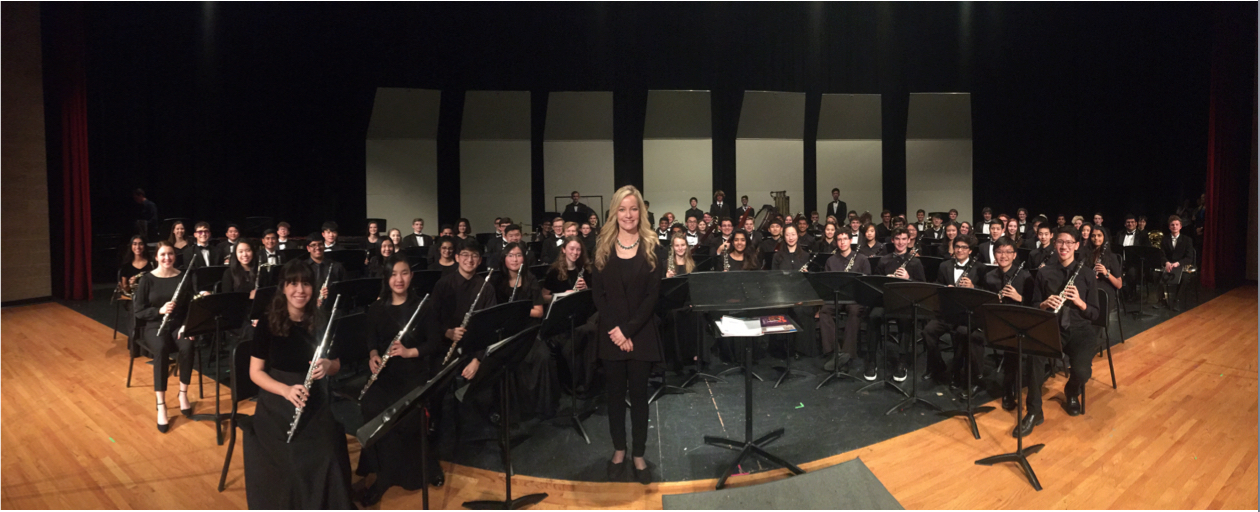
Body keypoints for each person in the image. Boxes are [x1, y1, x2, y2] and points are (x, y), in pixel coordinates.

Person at [243, 259, 354, 509]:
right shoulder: (266, 323)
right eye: (293, 284)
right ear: (283, 287)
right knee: (291, 459)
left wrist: (328, 366)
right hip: (276, 401)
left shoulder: (322, 320)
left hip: (314, 399)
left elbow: (336, 364)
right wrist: (285, 390)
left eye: (305, 284)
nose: (300, 290)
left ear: (313, 288)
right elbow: (255, 373)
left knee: (326, 454)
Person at [357, 255, 443, 505]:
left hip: (413, 372)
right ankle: (382, 474)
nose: (399, 279)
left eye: (404, 273)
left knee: (407, 418)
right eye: (394, 274)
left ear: (411, 276)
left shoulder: (423, 307)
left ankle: (425, 466)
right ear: (387, 277)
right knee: (371, 409)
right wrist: (373, 356)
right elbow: (371, 339)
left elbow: (435, 343)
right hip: (383, 374)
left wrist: (408, 352)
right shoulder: (376, 308)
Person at [591, 185, 661, 485]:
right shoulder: (602, 245)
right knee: (615, 397)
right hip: (611, 333)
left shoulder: (654, 246)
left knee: (641, 397)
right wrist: (617, 332)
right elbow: (599, 295)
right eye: (622, 209)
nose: (628, 214)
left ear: (640, 212)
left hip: (641, 333)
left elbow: (652, 296)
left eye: (633, 209)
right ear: (614, 212)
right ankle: (619, 450)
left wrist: (628, 330)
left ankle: (638, 454)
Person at [1014, 226, 1099, 437]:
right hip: (1053, 327)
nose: (1064, 246)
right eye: (1060, 242)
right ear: (1054, 244)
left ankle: (1071, 391)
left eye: (1069, 242)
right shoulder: (1044, 272)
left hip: (1081, 330)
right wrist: (1043, 304)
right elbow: (1033, 306)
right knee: (1034, 355)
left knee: (1081, 371)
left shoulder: (1086, 273)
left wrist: (1080, 302)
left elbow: (1096, 314)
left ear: (1077, 246)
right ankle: (1034, 411)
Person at [132, 241, 195, 433]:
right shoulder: (147, 280)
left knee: (187, 346)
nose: (167, 258)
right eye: (163, 255)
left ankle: (183, 393)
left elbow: (190, 306)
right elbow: (139, 311)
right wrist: (159, 310)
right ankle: (161, 404)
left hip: (178, 326)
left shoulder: (183, 277)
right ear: (156, 257)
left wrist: (187, 326)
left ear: (175, 256)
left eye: (170, 254)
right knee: (160, 349)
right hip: (154, 325)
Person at [921, 235, 981, 388]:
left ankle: (956, 371)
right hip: (946, 312)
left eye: (964, 247)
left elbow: (985, 294)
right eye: (957, 247)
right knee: (928, 331)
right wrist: (944, 290)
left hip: (965, 315)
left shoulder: (979, 268)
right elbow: (937, 286)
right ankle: (937, 364)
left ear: (970, 251)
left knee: (961, 334)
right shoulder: (944, 265)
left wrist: (973, 288)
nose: (960, 250)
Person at [866, 228, 925, 382]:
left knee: (905, 320)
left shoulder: (915, 261)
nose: (900, 242)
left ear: (908, 240)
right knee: (873, 316)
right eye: (897, 239)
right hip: (886, 301)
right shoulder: (884, 260)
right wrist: (886, 279)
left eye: (904, 239)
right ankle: (872, 360)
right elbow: (875, 283)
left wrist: (908, 278)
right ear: (892, 240)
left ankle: (902, 361)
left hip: (905, 302)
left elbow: (923, 287)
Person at [818, 230, 869, 372]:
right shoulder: (831, 261)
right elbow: (827, 284)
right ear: (836, 242)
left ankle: (847, 353)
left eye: (845, 239)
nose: (842, 242)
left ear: (850, 240)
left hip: (855, 298)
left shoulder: (862, 259)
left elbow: (867, 283)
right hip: (837, 297)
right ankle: (836, 353)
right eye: (839, 239)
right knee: (824, 311)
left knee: (854, 312)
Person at [1160, 215, 1193, 311]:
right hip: (1168, 265)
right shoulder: (1165, 239)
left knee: (1185, 278)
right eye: (1172, 225)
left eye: (1177, 225)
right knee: (1155, 274)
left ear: (1180, 227)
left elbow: (1189, 258)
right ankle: (1162, 300)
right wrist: (1166, 262)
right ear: (1169, 227)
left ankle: (1176, 301)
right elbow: (1162, 254)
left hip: (1181, 266)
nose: (1174, 226)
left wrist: (1178, 263)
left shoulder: (1187, 240)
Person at [543, 237, 590, 303]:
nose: (575, 252)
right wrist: (562, 296)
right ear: (563, 250)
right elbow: (543, 297)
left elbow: (591, 295)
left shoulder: (584, 269)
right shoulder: (554, 271)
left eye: (578, 249)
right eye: (572, 249)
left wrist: (586, 289)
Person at [305, 236, 345, 307]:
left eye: (320, 244)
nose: (317, 248)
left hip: (331, 307)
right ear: (308, 248)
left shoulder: (336, 266)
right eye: (313, 245)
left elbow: (345, 290)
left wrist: (331, 294)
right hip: (308, 308)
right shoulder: (302, 267)